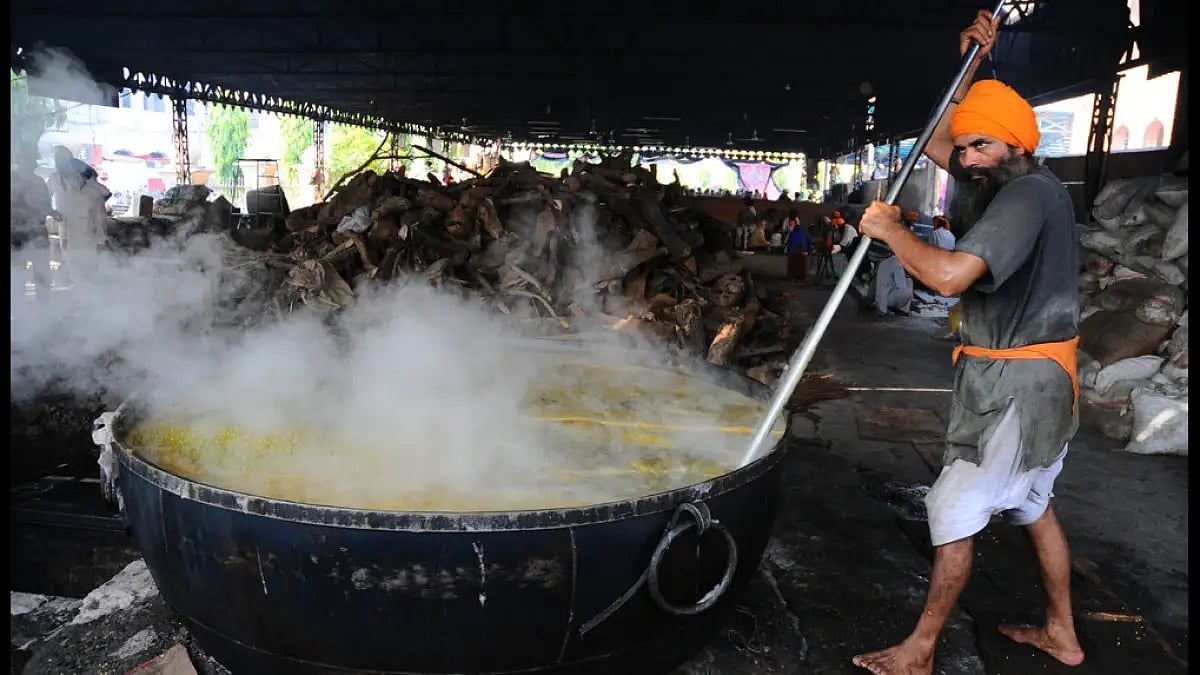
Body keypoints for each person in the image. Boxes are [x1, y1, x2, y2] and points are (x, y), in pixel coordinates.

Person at [853, 10, 1084, 674]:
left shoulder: (1027, 197)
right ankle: (1063, 633)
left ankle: (919, 651)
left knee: (953, 504)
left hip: (1019, 387)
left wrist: (890, 231)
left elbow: (952, 276)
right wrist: (970, 67)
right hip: (1040, 381)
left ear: (1015, 145)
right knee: (1035, 506)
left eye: (982, 145)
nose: (967, 157)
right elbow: (938, 140)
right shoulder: (1001, 180)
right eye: (967, 147)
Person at [10, 147, 57, 297]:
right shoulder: (13, 180)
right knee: (16, 269)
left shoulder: (39, 182)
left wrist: (52, 212)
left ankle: (44, 302)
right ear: (19, 163)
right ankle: (17, 304)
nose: (29, 165)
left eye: (30, 162)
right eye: (25, 161)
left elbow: (46, 205)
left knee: (41, 268)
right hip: (16, 231)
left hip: (37, 230)